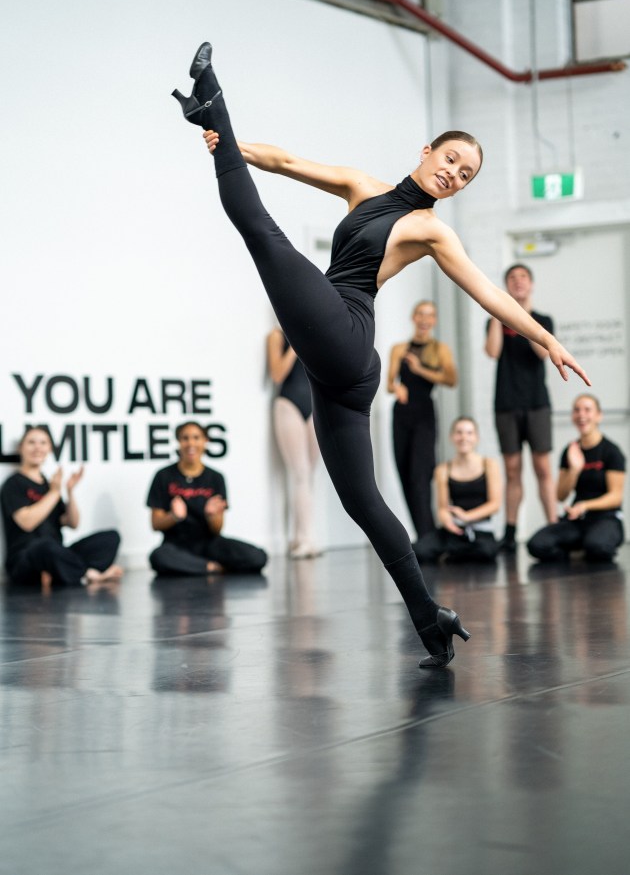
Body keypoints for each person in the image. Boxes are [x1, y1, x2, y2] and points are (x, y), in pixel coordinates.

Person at [172, 41, 588, 667]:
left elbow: (488, 294)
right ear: (427, 151)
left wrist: (547, 337)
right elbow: (283, 161)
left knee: (260, 233)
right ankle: (431, 618)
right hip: (337, 368)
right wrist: (228, 147)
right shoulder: (361, 187)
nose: (454, 174)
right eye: (451, 160)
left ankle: (214, 98)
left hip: (345, 328)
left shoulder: (432, 230)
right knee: (363, 503)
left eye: (465, 175)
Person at [485, 263, 556, 552]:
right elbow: (492, 352)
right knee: (512, 470)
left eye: (523, 277)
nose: (518, 282)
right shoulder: (498, 320)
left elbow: (543, 352)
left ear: (531, 284)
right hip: (506, 404)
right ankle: (511, 532)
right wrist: (496, 312)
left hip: (537, 403)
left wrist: (523, 318)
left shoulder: (543, 320)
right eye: (512, 278)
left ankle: (553, 527)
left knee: (542, 468)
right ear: (506, 285)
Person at [0, 425, 122, 587]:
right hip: (25, 558)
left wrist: (70, 492)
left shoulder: (50, 486)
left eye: (43, 443)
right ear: (21, 448)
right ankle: (88, 575)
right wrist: (55, 492)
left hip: (57, 552)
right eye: (31, 442)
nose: (37, 447)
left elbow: (72, 523)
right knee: (44, 546)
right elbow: (27, 523)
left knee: (110, 537)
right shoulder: (13, 483)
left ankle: (60, 572)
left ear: (49, 449)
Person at [147, 421, 267, 575]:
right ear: (178, 442)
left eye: (196, 437)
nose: (191, 443)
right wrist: (174, 516)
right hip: (176, 545)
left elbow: (217, 529)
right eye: (185, 438)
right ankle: (211, 567)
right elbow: (155, 523)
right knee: (158, 557)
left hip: (209, 544)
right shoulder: (163, 476)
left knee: (258, 557)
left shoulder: (215, 478)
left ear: (205, 441)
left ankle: (200, 567)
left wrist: (212, 516)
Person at [387, 300, 457, 542]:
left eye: (430, 315)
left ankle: (428, 533)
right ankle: (422, 533)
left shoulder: (439, 349)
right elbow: (389, 383)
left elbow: (450, 379)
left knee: (421, 473)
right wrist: (396, 388)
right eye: (421, 314)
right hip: (402, 414)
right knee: (404, 471)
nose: (425, 319)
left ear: (434, 321)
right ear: (413, 317)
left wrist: (419, 370)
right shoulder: (399, 348)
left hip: (424, 413)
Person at [527, 394, 625, 564]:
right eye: (577, 410)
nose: (581, 415)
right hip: (578, 520)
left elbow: (616, 497)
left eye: (587, 410)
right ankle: (578, 551)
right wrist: (574, 470)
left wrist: (585, 505)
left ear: (598, 416)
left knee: (598, 547)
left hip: (606, 518)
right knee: (537, 545)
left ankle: (589, 546)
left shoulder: (611, 452)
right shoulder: (570, 451)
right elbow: (560, 495)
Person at [415, 416, 502, 564]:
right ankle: (454, 551)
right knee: (419, 550)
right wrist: (447, 521)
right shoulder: (443, 470)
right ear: (452, 437)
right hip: (455, 529)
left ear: (476, 438)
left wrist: (467, 516)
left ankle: (453, 553)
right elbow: (442, 507)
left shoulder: (489, 465)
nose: (464, 437)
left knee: (486, 552)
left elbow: (495, 504)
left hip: (481, 530)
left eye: (469, 433)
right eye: (459, 432)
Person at [267, 327, 321, 559]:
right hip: (288, 403)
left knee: (310, 474)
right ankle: (303, 539)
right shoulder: (278, 335)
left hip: (316, 404)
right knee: (300, 472)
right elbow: (277, 374)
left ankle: (302, 536)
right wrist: (296, 345)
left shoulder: (316, 333)